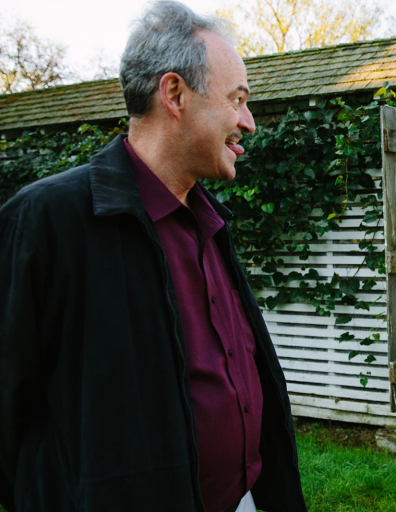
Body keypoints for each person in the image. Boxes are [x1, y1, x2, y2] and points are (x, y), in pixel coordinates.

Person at [0, 2, 306, 511]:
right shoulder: (43, 222)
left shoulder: (210, 221)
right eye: (237, 99)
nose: (248, 123)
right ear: (174, 94)